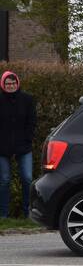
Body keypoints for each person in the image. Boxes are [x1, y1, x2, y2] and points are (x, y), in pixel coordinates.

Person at [0, 71, 36, 219]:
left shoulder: (27, 99)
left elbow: (31, 121)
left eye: (13, 83)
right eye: (8, 83)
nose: (11, 86)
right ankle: (3, 214)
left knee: (27, 178)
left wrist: (28, 139)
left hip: (24, 147)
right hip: (2, 148)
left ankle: (28, 212)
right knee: (4, 180)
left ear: (17, 83)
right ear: (3, 84)